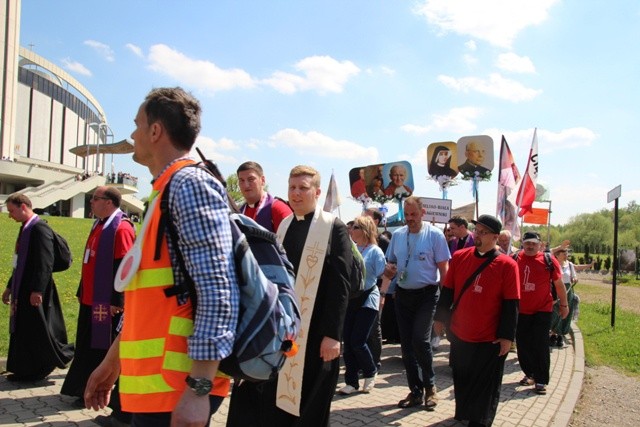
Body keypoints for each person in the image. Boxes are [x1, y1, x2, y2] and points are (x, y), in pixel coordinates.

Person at [83, 87, 240, 426]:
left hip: (178, 389)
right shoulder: (163, 192)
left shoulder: (188, 185)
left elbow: (218, 290)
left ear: (155, 131)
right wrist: (112, 365)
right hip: (154, 390)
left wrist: (198, 390)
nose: (132, 134)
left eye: (137, 124)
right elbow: (148, 299)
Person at [226, 165, 352, 426]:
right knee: (278, 404)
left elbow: (341, 286)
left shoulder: (333, 227)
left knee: (311, 404)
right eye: (292, 188)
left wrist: (333, 335)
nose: (296, 194)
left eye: (303, 188)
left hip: (318, 333)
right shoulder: (283, 226)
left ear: (317, 192)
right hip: (288, 331)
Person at [434, 215, 520, 427]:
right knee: (463, 377)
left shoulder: (507, 265)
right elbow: (448, 291)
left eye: (483, 232)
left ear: (495, 237)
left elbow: (511, 304)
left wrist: (507, 336)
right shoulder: (460, 257)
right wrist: (439, 319)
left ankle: (480, 419)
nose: (477, 235)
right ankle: (465, 411)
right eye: (476, 231)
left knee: (485, 382)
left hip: (489, 336)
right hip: (461, 333)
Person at [60, 187, 135, 424]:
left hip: (106, 304)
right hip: (90, 299)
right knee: (85, 345)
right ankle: (81, 388)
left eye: (96, 199)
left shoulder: (120, 228)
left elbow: (124, 267)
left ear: (110, 202)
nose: (91, 202)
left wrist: (117, 301)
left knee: (99, 348)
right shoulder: (100, 224)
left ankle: (95, 391)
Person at [384, 196, 450, 410]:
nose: (410, 219)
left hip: (427, 295)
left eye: (414, 214)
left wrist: (445, 303)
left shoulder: (435, 235)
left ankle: (431, 387)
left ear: (423, 213)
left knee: (420, 341)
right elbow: (390, 262)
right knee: (406, 346)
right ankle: (415, 391)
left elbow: (444, 269)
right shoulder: (398, 236)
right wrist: (389, 272)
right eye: (407, 215)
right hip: (403, 296)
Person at [2, 194, 74, 381]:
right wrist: (10, 286)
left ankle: (41, 367)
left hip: (35, 288)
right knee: (25, 328)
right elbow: (19, 262)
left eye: (11, 211)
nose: (10, 215)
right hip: (23, 286)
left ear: (23, 206)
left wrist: (38, 290)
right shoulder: (25, 228)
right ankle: (24, 368)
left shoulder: (39, 229)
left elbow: (45, 262)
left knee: (37, 330)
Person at [514, 231, 569, 395]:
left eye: (533, 243)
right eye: (527, 243)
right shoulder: (515, 259)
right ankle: (529, 373)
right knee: (522, 344)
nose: (530, 246)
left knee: (540, 345)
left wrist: (564, 305)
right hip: (520, 310)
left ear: (539, 245)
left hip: (542, 310)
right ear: (522, 244)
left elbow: (559, 284)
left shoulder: (548, 260)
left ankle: (541, 380)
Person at [338, 215, 385, 395]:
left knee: (358, 340)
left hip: (368, 298)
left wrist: (383, 294)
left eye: (356, 227)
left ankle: (370, 371)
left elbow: (384, 274)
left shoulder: (375, 251)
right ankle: (351, 382)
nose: (352, 230)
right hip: (351, 299)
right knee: (348, 343)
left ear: (365, 230)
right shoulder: (352, 249)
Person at [236, 161, 292, 232]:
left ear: (262, 180)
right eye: (241, 180)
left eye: (251, 179)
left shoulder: (278, 208)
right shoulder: (239, 213)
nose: (246, 185)